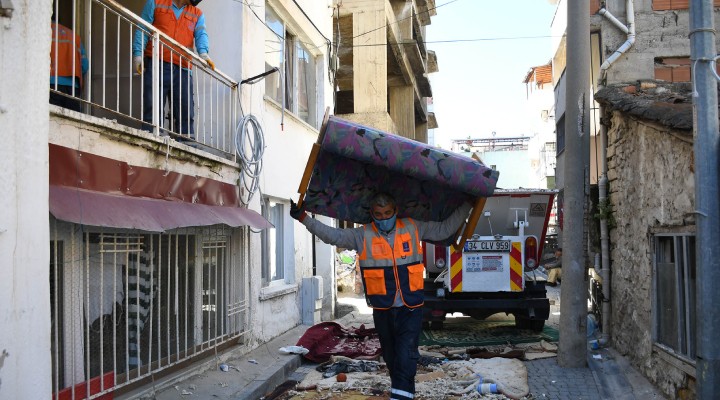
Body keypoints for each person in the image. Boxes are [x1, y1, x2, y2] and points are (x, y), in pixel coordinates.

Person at [290, 193, 472, 400]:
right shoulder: (363, 235)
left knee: (406, 353)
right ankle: (401, 391)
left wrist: (468, 203)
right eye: (379, 214)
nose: (384, 218)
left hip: (410, 306)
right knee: (391, 356)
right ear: (372, 214)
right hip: (383, 308)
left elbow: (445, 229)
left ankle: (402, 396)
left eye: (388, 213)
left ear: (395, 211)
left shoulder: (413, 227)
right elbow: (333, 235)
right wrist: (304, 218)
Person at [132, 0, 215, 140]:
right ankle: (151, 138)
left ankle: (187, 144)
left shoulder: (197, 13)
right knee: (153, 105)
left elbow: (201, 34)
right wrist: (138, 55)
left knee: (185, 110)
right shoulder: (156, 3)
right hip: (157, 62)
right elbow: (143, 28)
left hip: (182, 68)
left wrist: (204, 54)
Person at [50, 20, 88, 112]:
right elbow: (85, 65)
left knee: (51, 119)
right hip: (72, 87)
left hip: (50, 83)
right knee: (74, 120)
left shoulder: (44, 31)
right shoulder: (74, 36)